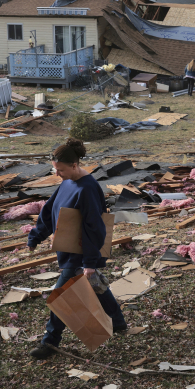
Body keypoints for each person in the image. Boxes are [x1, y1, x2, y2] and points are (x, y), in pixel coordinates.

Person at [27, 138, 128, 360]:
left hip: (80, 253)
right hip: (68, 250)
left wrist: (90, 262)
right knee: (96, 285)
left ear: (74, 165)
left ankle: (50, 341)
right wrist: (36, 236)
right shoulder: (67, 183)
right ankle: (118, 322)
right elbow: (50, 211)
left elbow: (95, 227)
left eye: (60, 170)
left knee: (61, 297)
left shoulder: (88, 188)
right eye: (55, 169)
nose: (57, 174)